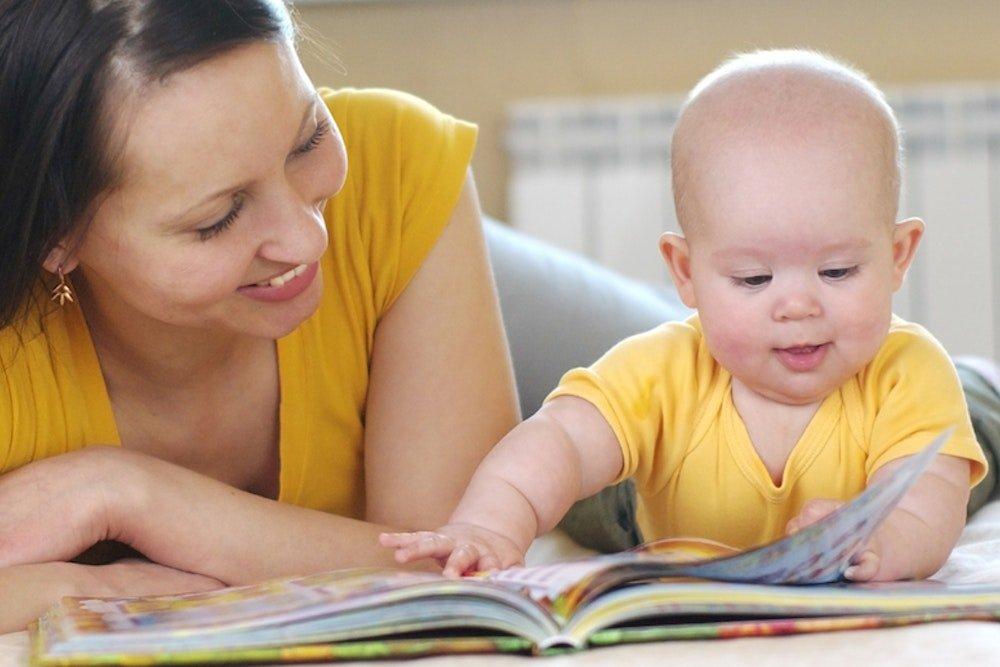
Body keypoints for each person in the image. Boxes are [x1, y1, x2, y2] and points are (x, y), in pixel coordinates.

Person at [0, 0, 518, 632]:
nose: (307, 242)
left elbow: (468, 571)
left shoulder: (396, 170)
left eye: (309, 140)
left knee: (638, 408)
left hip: (466, 272)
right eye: (217, 219)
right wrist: (77, 586)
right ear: (58, 235)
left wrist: (126, 491)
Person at [382, 50, 989, 582]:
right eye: (754, 279)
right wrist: (488, 527)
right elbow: (560, 439)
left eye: (837, 273)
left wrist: (882, 540)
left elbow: (929, 507)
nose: (799, 306)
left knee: (974, 433)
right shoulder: (662, 368)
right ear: (684, 271)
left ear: (898, 256)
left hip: (960, 405)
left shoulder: (906, 373)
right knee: (579, 498)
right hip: (649, 513)